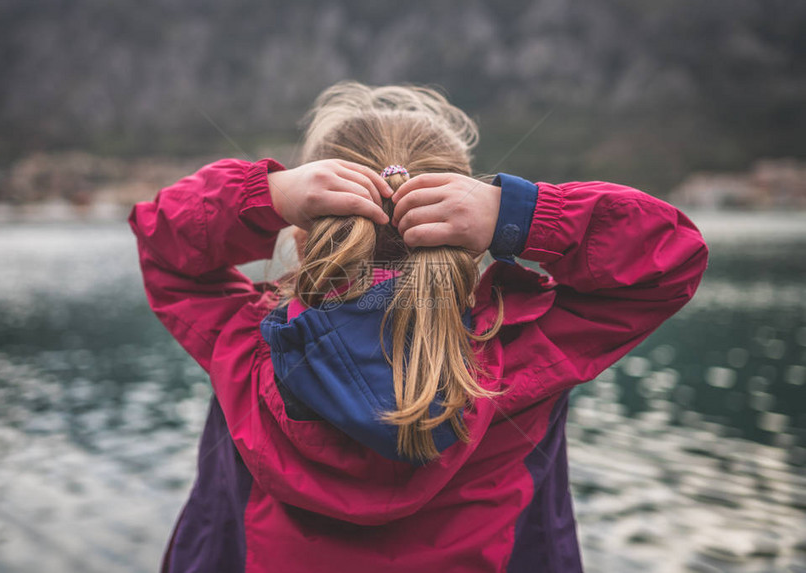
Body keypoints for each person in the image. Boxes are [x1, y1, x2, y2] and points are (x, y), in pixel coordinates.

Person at [128, 81, 709, 572]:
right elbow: (671, 257)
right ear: (466, 233)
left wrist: (264, 194)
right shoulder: (522, 354)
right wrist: (517, 216)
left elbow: (161, 245)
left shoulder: (246, 346)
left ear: (301, 236)